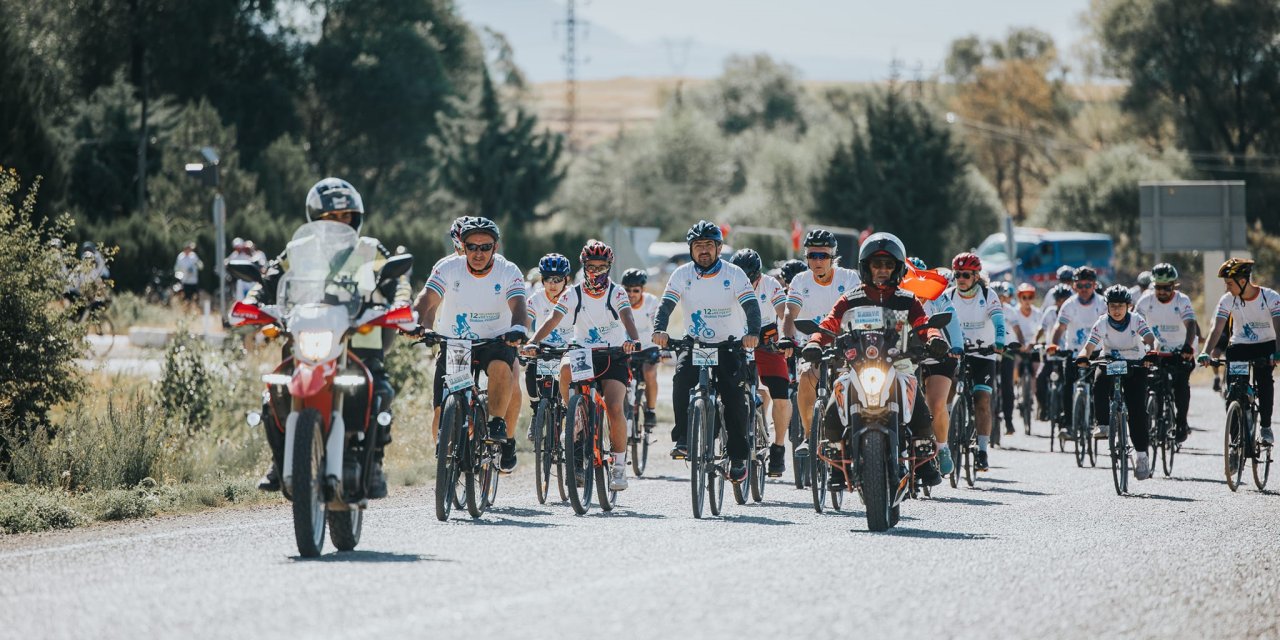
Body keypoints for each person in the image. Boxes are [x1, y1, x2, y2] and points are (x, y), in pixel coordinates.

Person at [248, 178, 411, 498]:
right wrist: (252, 301)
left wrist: (401, 303)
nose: (339, 224)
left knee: (378, 388)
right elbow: (270, 279)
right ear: (315, 219)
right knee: (275, 391)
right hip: (307, 336)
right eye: (330, 218)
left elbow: (397, 283)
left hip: (357, 337)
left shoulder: (369, 249)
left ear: (356, 218)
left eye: (345, 217)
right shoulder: (298, 250)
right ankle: (280, 460)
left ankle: (374, 462)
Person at [803, 234, 950, 488]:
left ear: (898, 269)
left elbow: (924, 325)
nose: (882, 270)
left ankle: (924, 461)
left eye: (888, 265)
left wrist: (935, 339)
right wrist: (815, 342)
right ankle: (837, 467)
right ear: (865, 267)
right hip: (857, 366)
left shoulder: (907, 299)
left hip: (899, 363)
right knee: (832, 407)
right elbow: (829, 323)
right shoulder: (850, 298)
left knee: (920, 408)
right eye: (876, 264)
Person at [414, 216, 528, 472]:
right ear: (462, 247)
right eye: (472, 247)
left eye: (485, 247)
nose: (479, 253)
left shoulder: (508, 270)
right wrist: (415, 321)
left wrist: (519, 327)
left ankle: (497, 422)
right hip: (456, 341)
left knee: (501, 368)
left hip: (495, 339)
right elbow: (426, 299)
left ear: (495, 248)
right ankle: (446, 458)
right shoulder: (448, 267)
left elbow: (519, 306)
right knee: (441, 411)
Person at [525, 241, 641, 490]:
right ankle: (574, 415)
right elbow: (553, 319)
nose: (596, 272)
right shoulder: (573, 293)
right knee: (564, 369)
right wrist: (533, 341)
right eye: (591, 266)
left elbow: (627, 316)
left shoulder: (617, 292)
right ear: (584, 266)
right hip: (582, 351)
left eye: (601, 267)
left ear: (609, 267)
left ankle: (619, 467)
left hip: (613, 354)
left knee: (613, 406)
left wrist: (633, 338)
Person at [652, 220, 761, 483]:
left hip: (729, 345)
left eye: (708, 246)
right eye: (698, 246)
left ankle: (737, 457)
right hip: (695, 344)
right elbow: (666, 305)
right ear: (690, 249)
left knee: (735, 399)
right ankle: (684, 439)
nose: (703, 251)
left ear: (719, 248)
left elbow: (751, 307)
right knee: (681, 382)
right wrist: (660, 329)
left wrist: (753, 334)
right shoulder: (681, 275)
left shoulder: (734, 274)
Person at [781, 229, 862, 454]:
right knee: (806, 377)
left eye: (823, 256)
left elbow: (859, 311)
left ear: (833, 256)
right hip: (812, 346)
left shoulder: (849, 278)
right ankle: (809, 435)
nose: (817, 261)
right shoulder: (800, 280)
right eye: (812, 255)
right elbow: (790, 313)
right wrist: (787, 339)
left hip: (844, 345)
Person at [1076, 285, 1156, 479]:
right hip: (1110, 360)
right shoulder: (1102, 322)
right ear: (1107, 307)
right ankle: (1103, 424)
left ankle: (1142, 456)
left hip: (1136, 362)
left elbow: (1150, 338)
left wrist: (1150, 351)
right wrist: (1083, 356)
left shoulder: (1136, 320)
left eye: (1121, 305)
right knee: (1099, 382)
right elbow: (1089, 346)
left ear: (1128, 306)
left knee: (1137, 411)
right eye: (1113, 306)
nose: (1117, 310)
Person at [1198, 258, 1280, 446]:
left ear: (1242, 282)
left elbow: (1278, 326)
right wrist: (1206, 352)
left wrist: (1277, 352)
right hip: (1239, 347)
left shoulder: (1270, 297)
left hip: (1266, 345)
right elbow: (1216, 328)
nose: (1227, 288)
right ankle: (1235, 443)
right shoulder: (1228, 299)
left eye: (1229, 284)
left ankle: (1266, 427)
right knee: (1233, 392)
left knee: (1265, 382)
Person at [939, 252, 1005, 471]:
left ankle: (983, 450)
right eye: (957, 274)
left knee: (982, 400)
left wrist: (999, 341)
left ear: (976, 276)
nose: (961, 279)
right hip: (956, 351)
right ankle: (947, 426)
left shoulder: (988, 294)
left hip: (983, 353)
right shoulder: (948, 295)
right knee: (944, 390)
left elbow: (998, 320)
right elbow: (939, 323)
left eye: (966, 275)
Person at [731, 248, 792, 477]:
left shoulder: (770, 285)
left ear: (758, 275)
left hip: (767, 341)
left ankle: (778, 447)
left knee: (781, 396)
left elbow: (784, 312)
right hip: (738, 341)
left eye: (751, 278)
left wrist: (786, 338)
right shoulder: (729, 283)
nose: (747, 283)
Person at [908, 257, 963, 477]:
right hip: (908, 355)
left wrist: (957, 346)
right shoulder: (898, 297)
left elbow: (952, 321)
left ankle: (942, 447)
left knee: (937, 403)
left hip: (940, 354)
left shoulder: (938, 297)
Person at [1135, 263, 1198, 442]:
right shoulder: (1145, 300)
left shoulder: (1182, 300)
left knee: (1181, 387)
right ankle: (1153, 417)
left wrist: (1187, 347)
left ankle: (1181, 422)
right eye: (1158, 287)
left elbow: (1191, 324)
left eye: (1166, 287)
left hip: (1179, 351)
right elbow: (1134, 324)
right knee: (1149, 384)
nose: (1162, 291)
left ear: (1174, 285)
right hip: (1154, 351)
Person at [1048, 266, 1107, 439]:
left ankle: (1099, 422)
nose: (1083, 289)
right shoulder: (1069, 304)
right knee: (1068, 385)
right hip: (1073, 352)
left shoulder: (1103, 303)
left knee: (1099, 386)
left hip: (1097, 352)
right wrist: (1053, 344)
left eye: (1087, 285)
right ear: (1074, 286)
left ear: (1094, 285)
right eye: (1079, 285)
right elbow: (1060, 327)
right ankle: (1068, 425)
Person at [524, 253, 574, 419]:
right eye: (547, 279)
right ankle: (535, 412)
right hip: (543, 347)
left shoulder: (574, 297)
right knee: (530, 370)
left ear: (566, 279)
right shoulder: (536, 298)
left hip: (569, 348)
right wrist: (520, 338)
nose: (552, 284)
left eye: (557, 279)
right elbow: (525, 320)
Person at [621, 268, 661, 434]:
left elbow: (657, 323)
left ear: (642, 290)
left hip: (647, 345)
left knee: (649, 372)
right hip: (626, 346)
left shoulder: (651, 302)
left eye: (635, 290)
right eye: (627, 290)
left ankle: (650, 410)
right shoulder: (618, 301)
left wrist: (663, 347)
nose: (631, 294)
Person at [1035, 283, 1074, 420]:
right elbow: (1042, 327)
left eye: (1064, 299)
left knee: (1067, 384)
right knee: (1040, 378)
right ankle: (1044, 408)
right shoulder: (1050, 312)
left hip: (1067, 354)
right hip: (1051, 354)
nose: (1061, 302)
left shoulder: (1073, 311)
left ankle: (1066, 412)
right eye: (1059, 300)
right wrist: (1035, 341)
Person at [174, 241, 203, 308]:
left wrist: (198, 265)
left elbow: (200, 265)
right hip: (185, 281)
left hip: (194, 281)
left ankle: (195, 310)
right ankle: (187, 311)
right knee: (187, 299)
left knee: (196, 298)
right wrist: (182, 274)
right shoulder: (180, 257)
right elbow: (176, 269)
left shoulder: (194, 256)